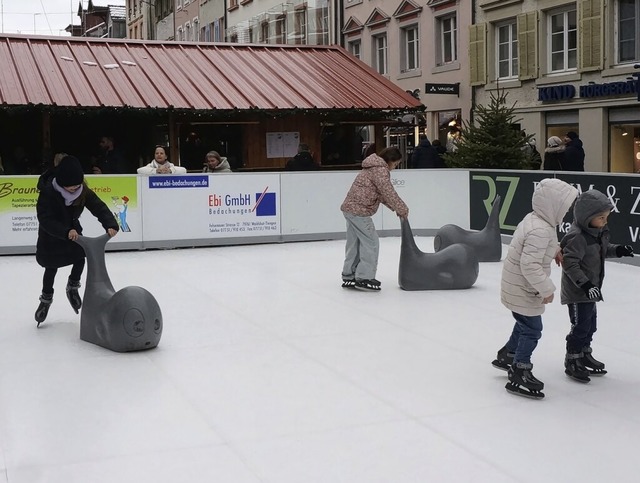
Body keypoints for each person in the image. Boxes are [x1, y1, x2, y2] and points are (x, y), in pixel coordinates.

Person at [492, 178, 578, 399]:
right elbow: (529, 264)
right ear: (552, 206)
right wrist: (546, 289)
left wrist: (555, 250)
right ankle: (520, 369)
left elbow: (540, 247)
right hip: (523, 287)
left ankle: (508, 354)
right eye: (564, 207)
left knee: (524, 323)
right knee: (532, 329)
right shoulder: (540, 229)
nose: (566, 212)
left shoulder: (537, 221)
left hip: (517, 285)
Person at [34, 155, 119, 326]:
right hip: (52, 235)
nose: (74, 190)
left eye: (77, 187)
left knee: (81, 257)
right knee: (51, 268)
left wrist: (110, 224)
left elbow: (98, 206)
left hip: (73, 232)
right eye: (70, 188)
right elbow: (45, 219)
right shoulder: (48, 192)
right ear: (61, 182)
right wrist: (66, 231)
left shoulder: (82, 190)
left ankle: (72, 287)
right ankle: (46, 298)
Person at [559, 189, 634, 383]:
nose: (605, 221)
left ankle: (584, 353)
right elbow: (569, 263)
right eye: (601, 218)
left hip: (592, 290)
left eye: (606, 217)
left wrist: (618, 250)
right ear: (586, 217)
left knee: (590, 325)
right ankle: (572, 358)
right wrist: (585, 285)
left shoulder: (597, 232)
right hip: (578, 291)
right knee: (580, 325)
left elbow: (602, 251)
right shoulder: (577, 237)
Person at [340, 146, 409, 292]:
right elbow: (388, 192)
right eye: (395, 165)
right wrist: (402, 209)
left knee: (354, 243)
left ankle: (349, 275)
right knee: (371, 243)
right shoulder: (380, 170)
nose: (394, 168)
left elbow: (381, 195)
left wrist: (395, 208)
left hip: (350, 209)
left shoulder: (371, 167)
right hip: (360, 211)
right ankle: (364, 277)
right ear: (389, 161)